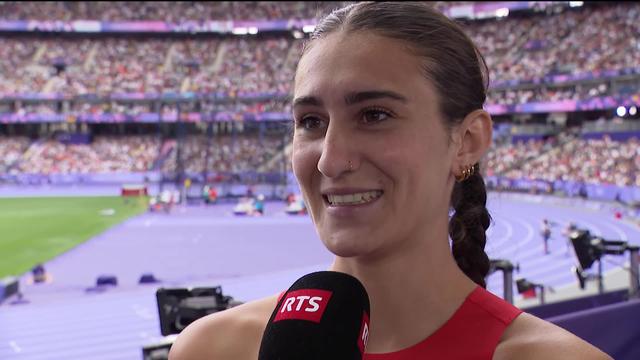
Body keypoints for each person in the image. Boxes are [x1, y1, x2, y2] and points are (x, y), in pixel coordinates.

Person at [169, 2, 611, 359]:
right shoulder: (212, 349)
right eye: (310, 121)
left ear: (467, 141)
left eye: (374, 115)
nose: (330, 160)